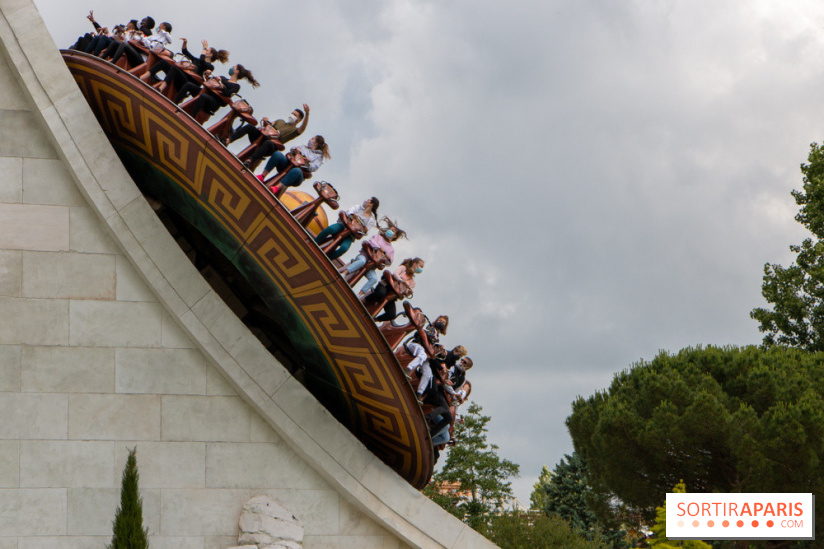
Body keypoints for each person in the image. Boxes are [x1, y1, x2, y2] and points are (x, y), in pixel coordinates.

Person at [340, 218, 406, 296]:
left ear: (395, 236)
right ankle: (344, 273)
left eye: (392, 231)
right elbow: (371, 242)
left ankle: (360, 294)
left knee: (374, 278)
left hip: (371, 266)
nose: (390, 231)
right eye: (390, 229)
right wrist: (379, 249)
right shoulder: (378, 237)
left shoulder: (391, 249)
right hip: (364, 256)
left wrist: (387, 257)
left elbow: (389, 261)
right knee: (362, 261)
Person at [314, 197, 379, 260]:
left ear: (371, 204)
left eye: (368, 200)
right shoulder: (358, 207)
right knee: (331, 229)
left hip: (351, 235)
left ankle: (329, 258)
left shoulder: (371, 220)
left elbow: (366, 231)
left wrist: (364, 229)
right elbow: (348, 211)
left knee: (344, 248)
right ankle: (315, 241)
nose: (366, 200)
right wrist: (353, 214)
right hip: (343, 226)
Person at [263, 135, 330, 193]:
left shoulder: (318, 157)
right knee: (278, 154)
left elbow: (314, 167)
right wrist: (295, 150)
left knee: (296, 171)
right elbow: (293, 148)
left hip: (298, 174)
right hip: (287, 165)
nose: (310, 139)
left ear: (316, 143)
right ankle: (262, 176)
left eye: (312, 139)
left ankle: (276, 188)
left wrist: (308, 163)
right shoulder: (304, 147)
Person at [188, 64, 260, 118]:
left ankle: (192, 116)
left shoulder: (236, 86)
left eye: (233, 67)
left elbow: (228, 94)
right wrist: (207, 75)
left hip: (214, 102)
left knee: (203, 96)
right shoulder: (223, 78)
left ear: (236, 71)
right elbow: (209, 81)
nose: (231, 68)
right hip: (207, 93)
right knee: (189, 85)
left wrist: (221, 84)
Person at [367, 257, 424, 322]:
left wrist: (408, 293)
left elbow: (405, 292)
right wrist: (401, 280)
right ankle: (365, 301)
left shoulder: (413, 282)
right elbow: (395, 273)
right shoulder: (403, 268)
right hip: (386, 286)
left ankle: (374, 320)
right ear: (415, 264)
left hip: (393, 295)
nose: (421, 269)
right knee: (380, 294)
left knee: (391, 314)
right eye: (420, 266)